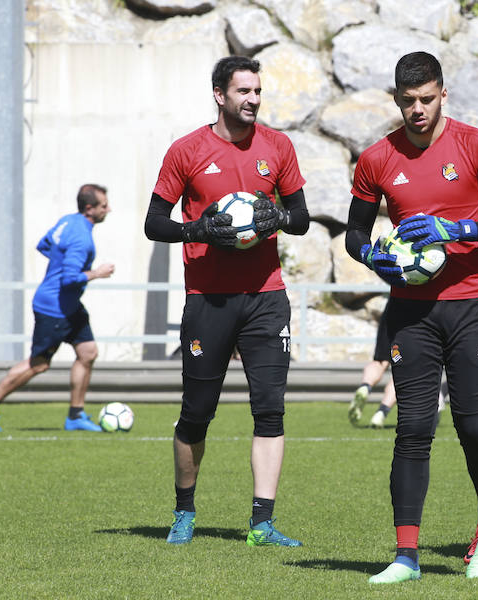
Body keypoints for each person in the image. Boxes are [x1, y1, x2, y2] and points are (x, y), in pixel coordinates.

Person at [345, 51, 478, 583]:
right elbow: (355, 232)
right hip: (411, 314)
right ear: (397, 100)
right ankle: (406, 556)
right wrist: (371, 255)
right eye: (407, 101)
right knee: (413, 428)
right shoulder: (377, 158)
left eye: (426, 99)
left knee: (477, 427)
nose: (417, 110)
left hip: (474, 306)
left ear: (443, 93)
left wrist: (458, 231)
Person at [144, 55, 310, 545]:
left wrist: (275, 217)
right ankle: (184, 513)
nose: (253, 100)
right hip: (208, 300)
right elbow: (154, 223)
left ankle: (262, 522)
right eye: (244, 92)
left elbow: (301, 217)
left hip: (266, 299)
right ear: (220, 94)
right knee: (197, 412)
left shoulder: (278, 146)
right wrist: (197, 229)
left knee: (270, 410)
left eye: (257, 91)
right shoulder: (187, 150)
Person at [0, 184, 114, 433]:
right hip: (55, 309)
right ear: (90, 208)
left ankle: (76, 416)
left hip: (69, 307)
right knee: (39, 364)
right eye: (104, 206)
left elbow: (43, 245)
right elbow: (70, 278)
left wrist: (60, 263)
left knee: (88, 353)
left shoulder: (68, 221)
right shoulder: (81, 239)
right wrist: (98, 273)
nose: (108, 209)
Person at [348, 301, 397, 428]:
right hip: (418, 316)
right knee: (405, 372)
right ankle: (382, 412)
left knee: (380, 361)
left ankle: (366, 386)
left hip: (395, 306)